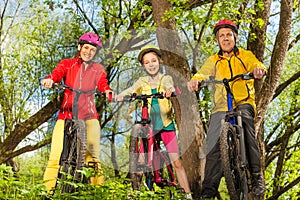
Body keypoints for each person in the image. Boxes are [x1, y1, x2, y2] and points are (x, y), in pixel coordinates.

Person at [187, 20, 266, 198]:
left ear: (235, 37)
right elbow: (202, 73)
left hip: (243, 101)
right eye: (221, 36)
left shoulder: (244, 55)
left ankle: (256, 177)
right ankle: (208, 190)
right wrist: (196, 80)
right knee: (213, 145)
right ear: (217, 41)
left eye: (228, 35)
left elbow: (256, 64)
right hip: (221, 106)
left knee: (248, 130)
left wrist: (258, 70)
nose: (225, 38)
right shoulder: (214, 60)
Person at [115, 45, 192, 198]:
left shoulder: (165, 78)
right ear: (143, 66)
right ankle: (136, 190)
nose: (151, 64)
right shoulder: (142, 81)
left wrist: (168, 91)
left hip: (165, 125)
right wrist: (120, 96)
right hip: (148, 124)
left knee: (176, 162)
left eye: (153, 61)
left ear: (159, 62)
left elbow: (169, 86)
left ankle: (188, 194)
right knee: (141, 159)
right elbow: (132, 90)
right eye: (147, 62)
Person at [41, 32, 113, 193]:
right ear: (80, 47)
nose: (88, 51)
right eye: (86, 47)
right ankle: (47, 192)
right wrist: (50, 79)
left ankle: (98, 193)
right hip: (65, 115)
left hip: (89, 117)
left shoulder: (97, 69)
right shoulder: (68, 64)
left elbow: (102, 83)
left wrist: (107, 90)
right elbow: (57, 74)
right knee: (55, 156)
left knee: (92, 158)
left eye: (92, 50)